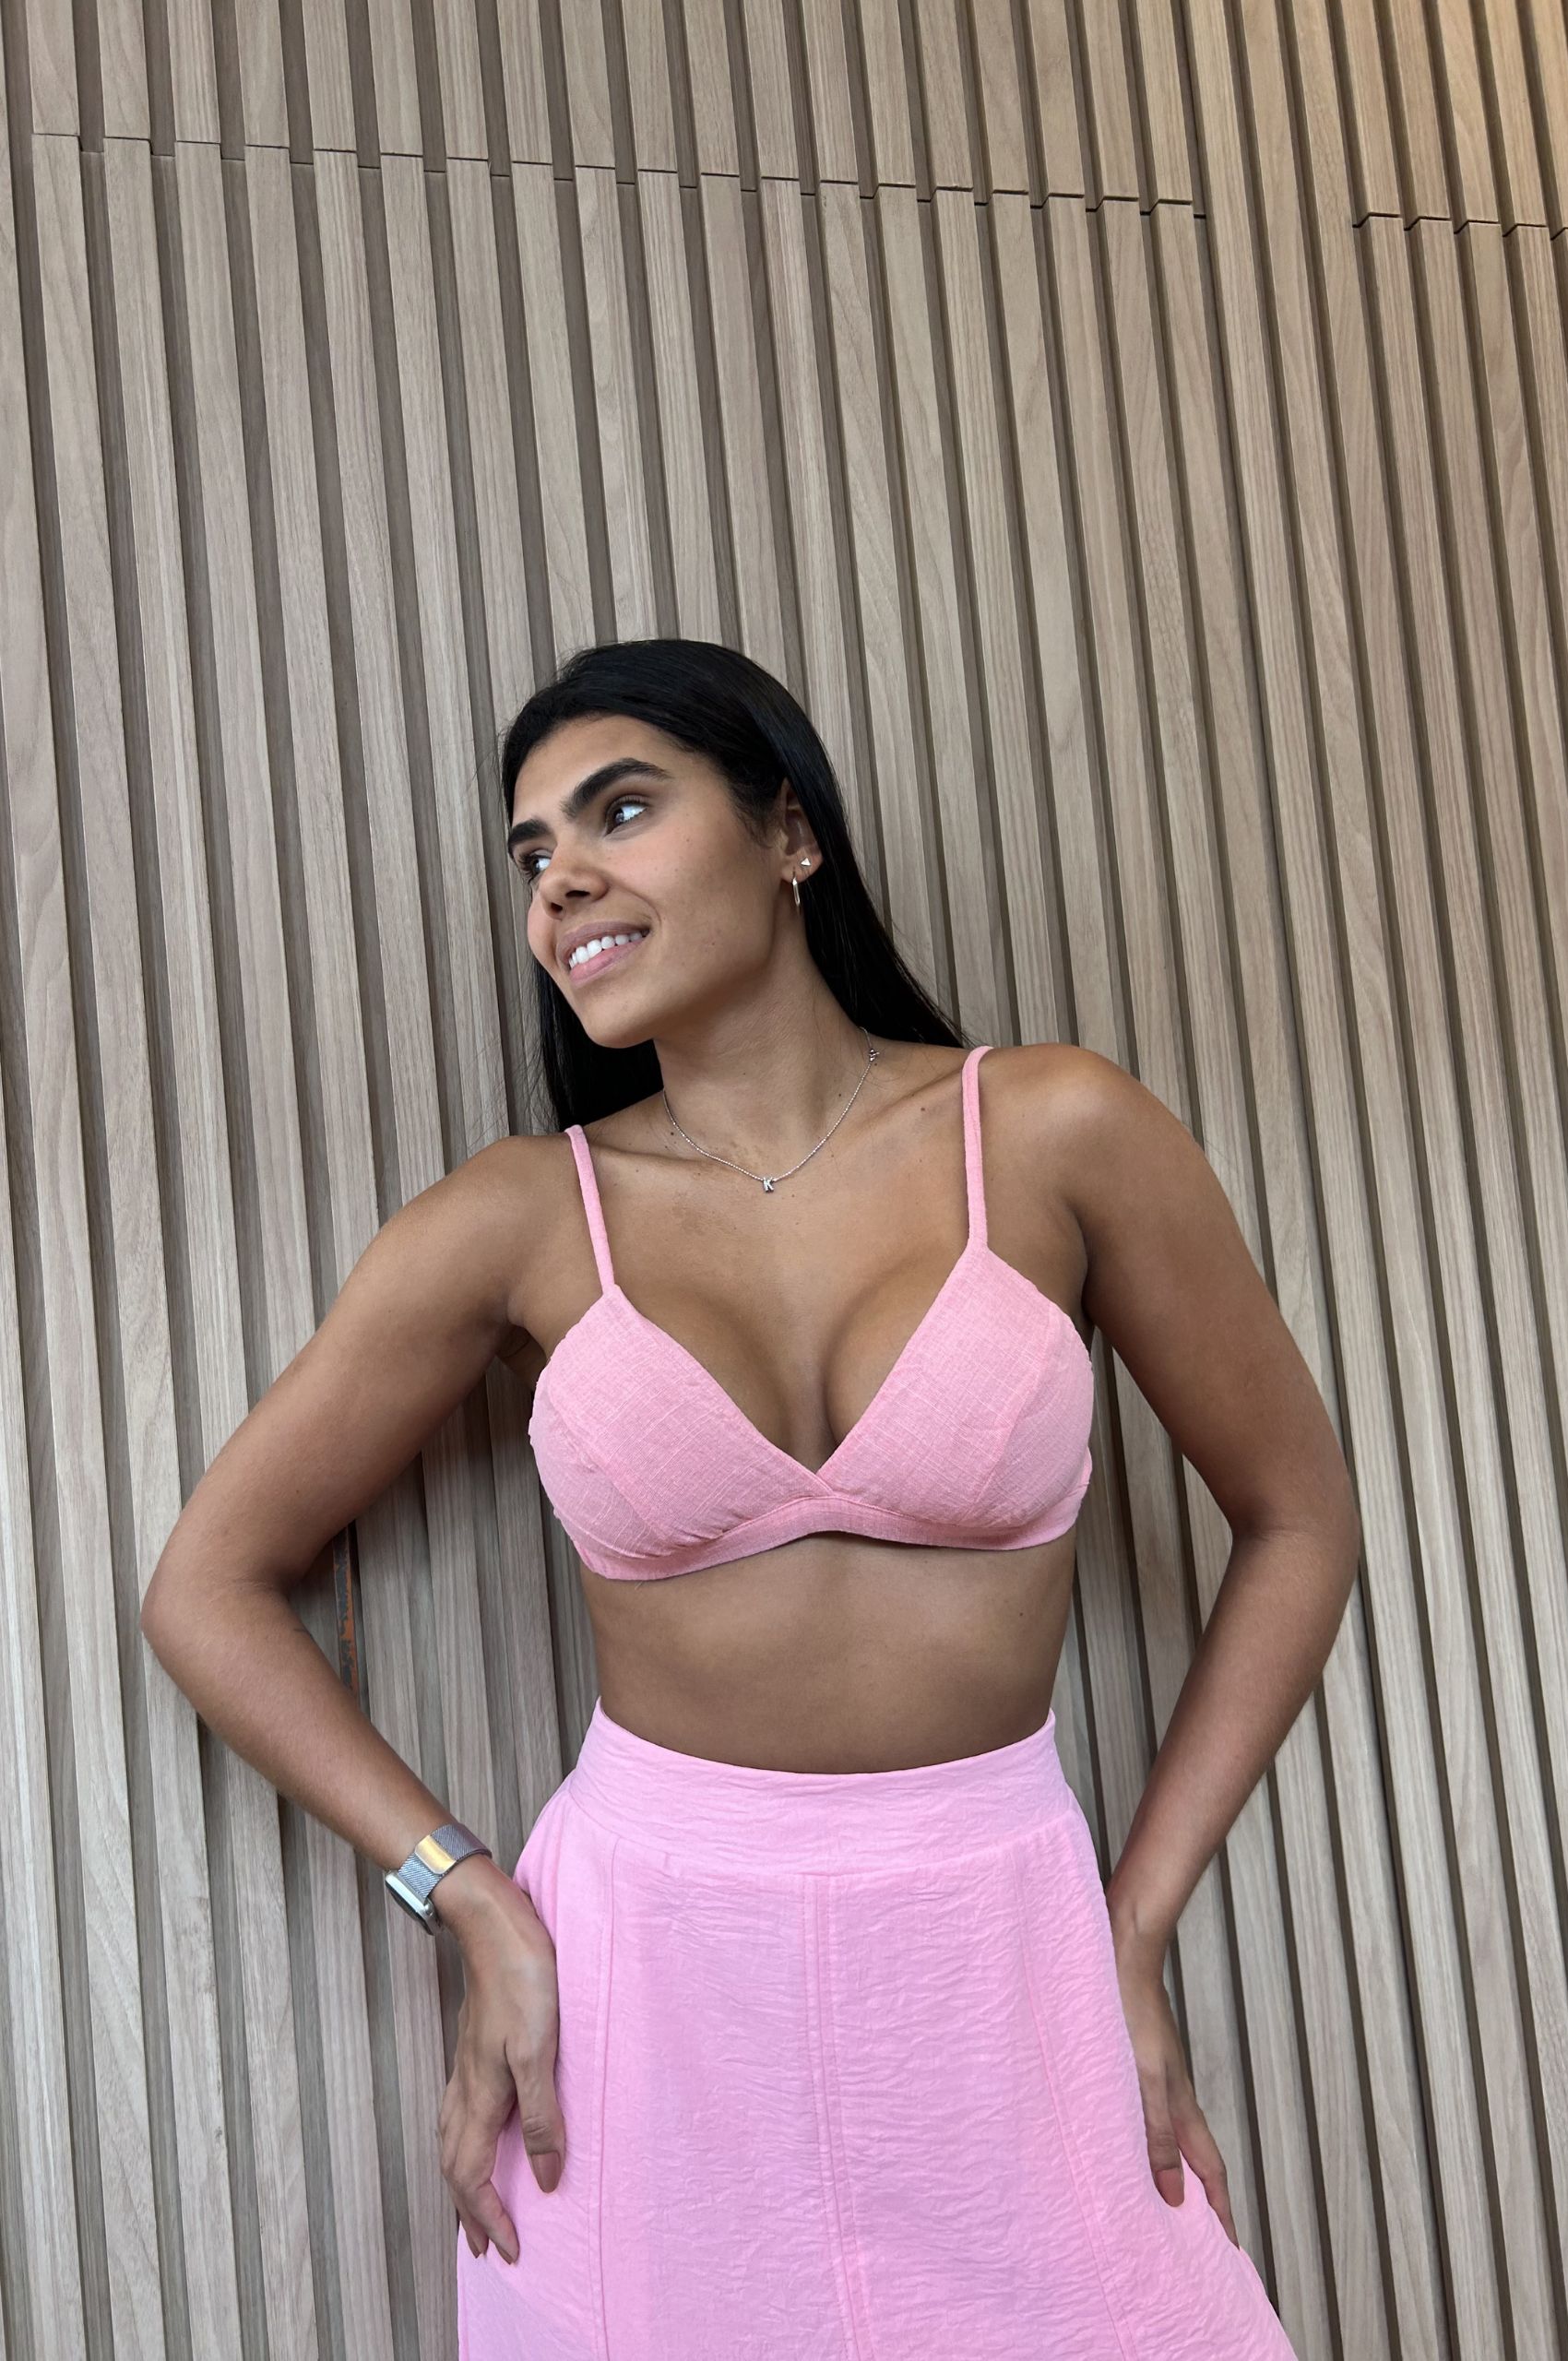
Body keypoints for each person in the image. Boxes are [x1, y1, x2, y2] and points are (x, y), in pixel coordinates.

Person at [142, 640, 1358, 2358]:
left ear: (791, 831)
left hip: (998, 1949)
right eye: (533, 853)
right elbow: (207, 1587)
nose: (562, 879)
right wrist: (465, 1895)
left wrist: (1133, 1926)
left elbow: (1300, 1520)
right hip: (643, 1986)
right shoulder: (519, 1220)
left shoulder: (1056, 1131)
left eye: (620, 811)